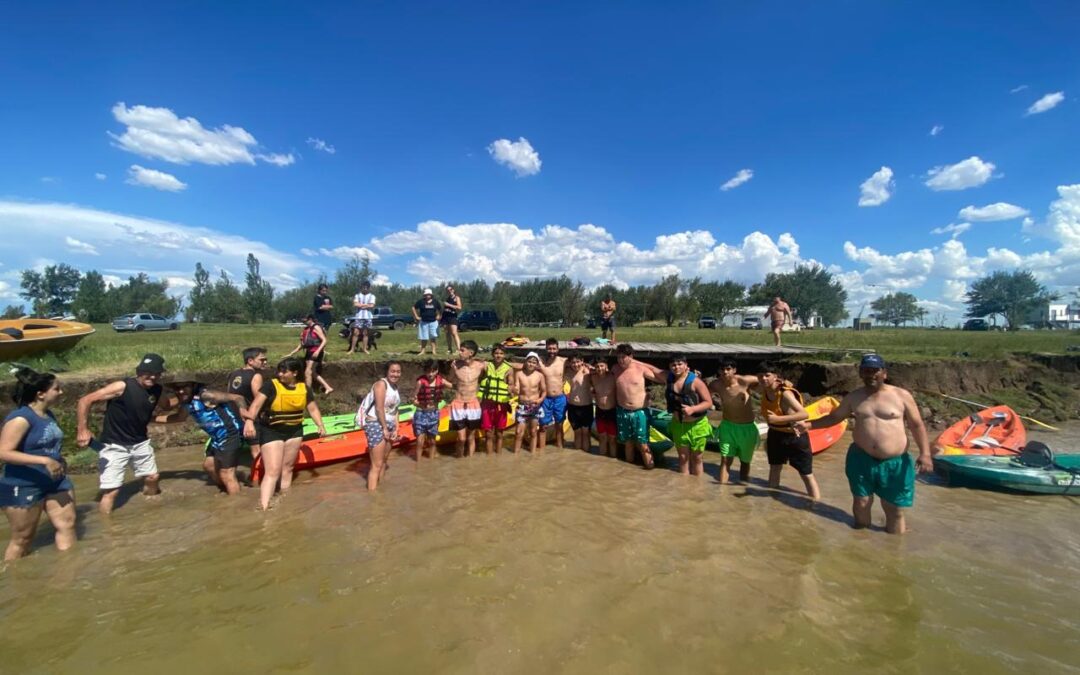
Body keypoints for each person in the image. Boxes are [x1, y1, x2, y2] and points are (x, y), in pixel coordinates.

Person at [800, 354, 932, 534]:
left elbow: (916, 425)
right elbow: (834, 418)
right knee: (861, 503)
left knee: (893, 509)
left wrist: (925, 454)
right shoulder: (854, 397)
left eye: (874, 370)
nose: (870, 374)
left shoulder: (901, 396)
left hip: (896, 462)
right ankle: (861, 541)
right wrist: (808, 425)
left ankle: (894, 551)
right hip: (861, 459)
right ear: (860, 373)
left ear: (884, 373)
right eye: (865, 370)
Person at [76, 353, 174, 514]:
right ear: (139, 372)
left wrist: (187, 397)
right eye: (147, 372)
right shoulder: (122, 386)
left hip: (140, 442)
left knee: (153, 478)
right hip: (114, 445)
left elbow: (167, 405)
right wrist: (82, 430)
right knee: (111, 492)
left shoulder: (157, 389)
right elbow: (85, 401)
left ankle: (152, 509)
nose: (152, 376)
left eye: (156, 373)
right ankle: (107, 528)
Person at [0, 368, 76, 560]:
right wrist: (44, 460)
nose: (61, 392)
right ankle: (14, 581)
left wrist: (59, 459)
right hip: (24, 483)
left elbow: (47, 445)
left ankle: (69, 574)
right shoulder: (20, 419)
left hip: (55, 480)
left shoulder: (48, 414)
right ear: (40, 394)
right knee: (23, 538)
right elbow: (3, 452)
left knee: (67, 525)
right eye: (56, 389)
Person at [243, 358, 326, 510]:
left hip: (294, 431)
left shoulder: (304, 389)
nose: (279, 374)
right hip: (272, 431)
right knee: (273, 471)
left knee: (287, 468)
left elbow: (312, 409)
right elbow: (255, 405)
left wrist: (320, 425)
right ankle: (263, 506)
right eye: (279, 370)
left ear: (294, 373)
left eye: (284, 371)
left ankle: (284, 500)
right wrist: (249, 421)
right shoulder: (270, 386)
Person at [169, 382, 247, 496]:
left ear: (193, 386)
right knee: (209, 466)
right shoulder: (187, 403)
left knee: (226, 473)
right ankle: (229, 488)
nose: (180, 391)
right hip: (216, 438)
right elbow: (178, 418)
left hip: (229, 434)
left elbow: (238, 397)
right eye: (177, 388)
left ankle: (236, 504)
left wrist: (245, 416)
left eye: (184, 387)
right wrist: (150, 418)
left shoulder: (206, 395)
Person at [758, 362, 819, 501]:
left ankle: (815, 503)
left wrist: (777, 419)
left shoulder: (785, 393)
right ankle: (772, 501)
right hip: (775, 434)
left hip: (795, 436)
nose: (764, 379)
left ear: (775, 377)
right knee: (774, 468)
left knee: (805, 473)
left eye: (767, 375)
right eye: (760, 376)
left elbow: (804, 414)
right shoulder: (764, 389)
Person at [708, 358, 762, 484]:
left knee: (745, 461)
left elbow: (766, 380)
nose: (725, 372)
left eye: (728, 369)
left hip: (747, 428)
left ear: (734, 370)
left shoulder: (744, 381)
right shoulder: (716, 384)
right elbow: (702, 393)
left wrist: (782, 381)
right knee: (725, 460)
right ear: (719, 371)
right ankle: (722, 490)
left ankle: (743, 484)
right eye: (722, 369)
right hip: (727, 427)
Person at [612, 343, 665, 468]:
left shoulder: (640, 369)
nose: (621, 360)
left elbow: (661, 379)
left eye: (623, 357)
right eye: (618, 357)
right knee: (628, 443)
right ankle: (629, 471)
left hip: (639, 412)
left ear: (631, 356)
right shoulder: (615, 369)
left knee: (642, 444)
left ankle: (650, 467)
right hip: (622, 411)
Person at [665, 355, 714, 476]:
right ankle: (685, 487)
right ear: (670, 367)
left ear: (686, 365)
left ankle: (697, 488)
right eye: (673, 365)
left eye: (679, 364)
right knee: (682, 457)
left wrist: (693, 409)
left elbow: (708, 402)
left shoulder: (696, 382)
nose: (676, 367)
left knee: (697, 458)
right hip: (679, 424)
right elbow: (652, 370)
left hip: (697, 425)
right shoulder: (669, 379)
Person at [358, 361, 403, 491]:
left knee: (384, 461)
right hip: (376, 424)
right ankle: (373, 499)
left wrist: (396, 428)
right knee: (376, 464)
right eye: (392, 371)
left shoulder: (395, 387)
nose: (395, 374)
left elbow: (395, 410)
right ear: (387, 372)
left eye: (398, 371)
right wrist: (384, 428)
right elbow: (379, 408)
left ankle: (381, 490)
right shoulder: (380, 384)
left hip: (389, 424)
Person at [226, 347, 267, 462]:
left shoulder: (233, 373)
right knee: (256, 450)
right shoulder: (256, 376)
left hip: (234, 416)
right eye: (262, 360)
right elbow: (258, 400)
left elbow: (229, 395)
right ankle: (262, 476)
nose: (265, 362)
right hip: (250, 417)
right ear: (250, 361)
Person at [448, 340, 485, 457]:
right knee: (461, 438)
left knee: (471, 437)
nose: (459, 352)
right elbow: (449, 381)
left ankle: (469, 462)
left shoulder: (481, 365)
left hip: (473, 404)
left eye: (462, 350)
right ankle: (459, 458)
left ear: (471, 352)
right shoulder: (456, 365)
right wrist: (453, 371)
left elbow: (503, 365)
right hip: (458, 403)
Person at [413, 360, 451, 462]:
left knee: (432, 441)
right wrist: (419, 403)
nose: (430, 374)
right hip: (421, 413)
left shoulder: (441, 380)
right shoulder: (420, 382)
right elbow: (413, 398)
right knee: (420, 442)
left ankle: (431, 462)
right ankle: (418, 464)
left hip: (434, 414)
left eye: (433, 371)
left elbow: (452, 386)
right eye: (428, 371)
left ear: (437, 371)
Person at [478, 344, 513, 455]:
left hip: (501, 404)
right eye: (496, 353)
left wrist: (511, 390)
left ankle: (498, 455)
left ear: (504, 355)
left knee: (499, 433)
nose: (498, 355)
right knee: (488, 433)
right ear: (493, 354)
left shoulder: (509, 369)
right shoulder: (486, 366)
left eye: (501, 353)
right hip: (487, 403)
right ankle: (489, 457)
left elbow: (511, 384)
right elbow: (479, 379)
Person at [287, 315, 333, 395]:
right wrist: (292, 353)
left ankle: (308, 392)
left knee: (308, 372)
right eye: (303, 321)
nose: (304, 323)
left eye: (305, 321)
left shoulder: (316, 327)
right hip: (309, 352)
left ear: (310, 319)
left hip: (315, 351)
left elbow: (324, 340)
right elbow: (302, 344)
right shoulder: (306, 329)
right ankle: (328, 387)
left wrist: (318, 351)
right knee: (312, 372)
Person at [512, 352, 545, 454]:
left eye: (534, 362)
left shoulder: (540, 376)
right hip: (522, 406)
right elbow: (516, 387)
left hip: (534, 406)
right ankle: (516, 454)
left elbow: (544, 391)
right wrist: (515, 389)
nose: (531, 364)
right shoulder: (519, 374)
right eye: (529, 362)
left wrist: (540, 400)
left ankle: (533, 454)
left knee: (533, 432)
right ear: (525, 362)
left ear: (536, 364)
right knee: (518, 432)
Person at [589, 358, 618, 458]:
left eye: (602, 366)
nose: (599, 368)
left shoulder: (613, 377)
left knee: (612, 439)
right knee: (602, 437)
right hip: (600, 411)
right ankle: (602, 459)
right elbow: (584, 367)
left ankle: (613, 459)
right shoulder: (593, 377)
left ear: (606, 366)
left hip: (612, 411)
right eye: (597, 366)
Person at [566, 355, 595, 452]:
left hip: (586, 407)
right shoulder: (569, 372)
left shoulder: (587, 372)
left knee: (586, 433)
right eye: (573, 362)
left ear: (582, 361)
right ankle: (577, 457)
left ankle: (586, 456)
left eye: (578, 362)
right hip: (573, 407)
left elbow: (601, 371)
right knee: (577, 433)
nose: (576, 364)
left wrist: (591, 367)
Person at [347, 281, 376, 355]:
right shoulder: (357, 295)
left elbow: (372, 305)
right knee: (356, 333)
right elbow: (355, 304)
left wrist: (361, 305)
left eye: (367, 288)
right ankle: (352, 349)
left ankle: (364, 349)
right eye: (364, 287)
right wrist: (366, 305)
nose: (365, 289)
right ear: (361, 287)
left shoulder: (372, 296)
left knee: (365, 333)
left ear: (369, 288)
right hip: (359, 316)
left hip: (368, 317)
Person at [412, 288, 442, 355]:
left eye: (429, 294)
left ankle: (434, 351)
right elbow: (413, 307)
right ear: (424, 295)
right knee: (423, 337)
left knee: (433, 337)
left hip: (433, 322)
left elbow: (440, 309)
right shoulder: (421, 301)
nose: (427, 296)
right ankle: (422, 351)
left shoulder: (435, 302)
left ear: (431, 295)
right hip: (423, 322)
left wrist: (439, 315)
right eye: (426, 294)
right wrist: (416, 316)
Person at [442, 283, 463, 355]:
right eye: (447, 290)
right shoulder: (447, 298)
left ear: (453, 290)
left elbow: (459, 307)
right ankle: (449, 349)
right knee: (447, 333)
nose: (449, 291)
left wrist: (449, 305)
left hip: (452, 316)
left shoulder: (456, 297)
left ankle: (458, 349)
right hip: (446, 316)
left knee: (454, 333)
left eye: (450, 289)